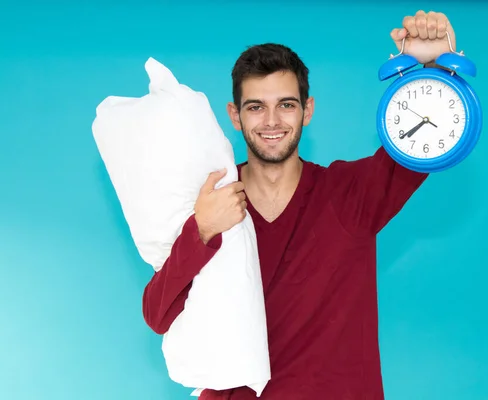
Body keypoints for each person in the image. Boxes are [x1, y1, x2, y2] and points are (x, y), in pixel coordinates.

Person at [143, 10, 456, 400]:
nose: (271, 121)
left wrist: (435, 68)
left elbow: (430, 138)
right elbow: (157, 315)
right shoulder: (212, 201)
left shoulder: (350, 193)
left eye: (286, 105)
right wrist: (202, 230)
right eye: (255, 106)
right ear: (235, 116)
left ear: (307, 110)